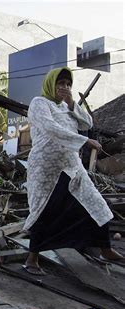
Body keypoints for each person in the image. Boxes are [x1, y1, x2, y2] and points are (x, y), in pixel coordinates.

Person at [23, 67, 125, 275]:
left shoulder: (68, 107)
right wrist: (84, 140)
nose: (64, 87)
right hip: (46, 169)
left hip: (71, 166)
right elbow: (51, 128)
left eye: (68, 84)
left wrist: (71, 103)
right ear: (52, 84)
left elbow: (87, 122)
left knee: (96, 203)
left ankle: (105, 248)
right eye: (61, 83)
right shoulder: (39, 103)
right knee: (45, 210)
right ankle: (32, 259)